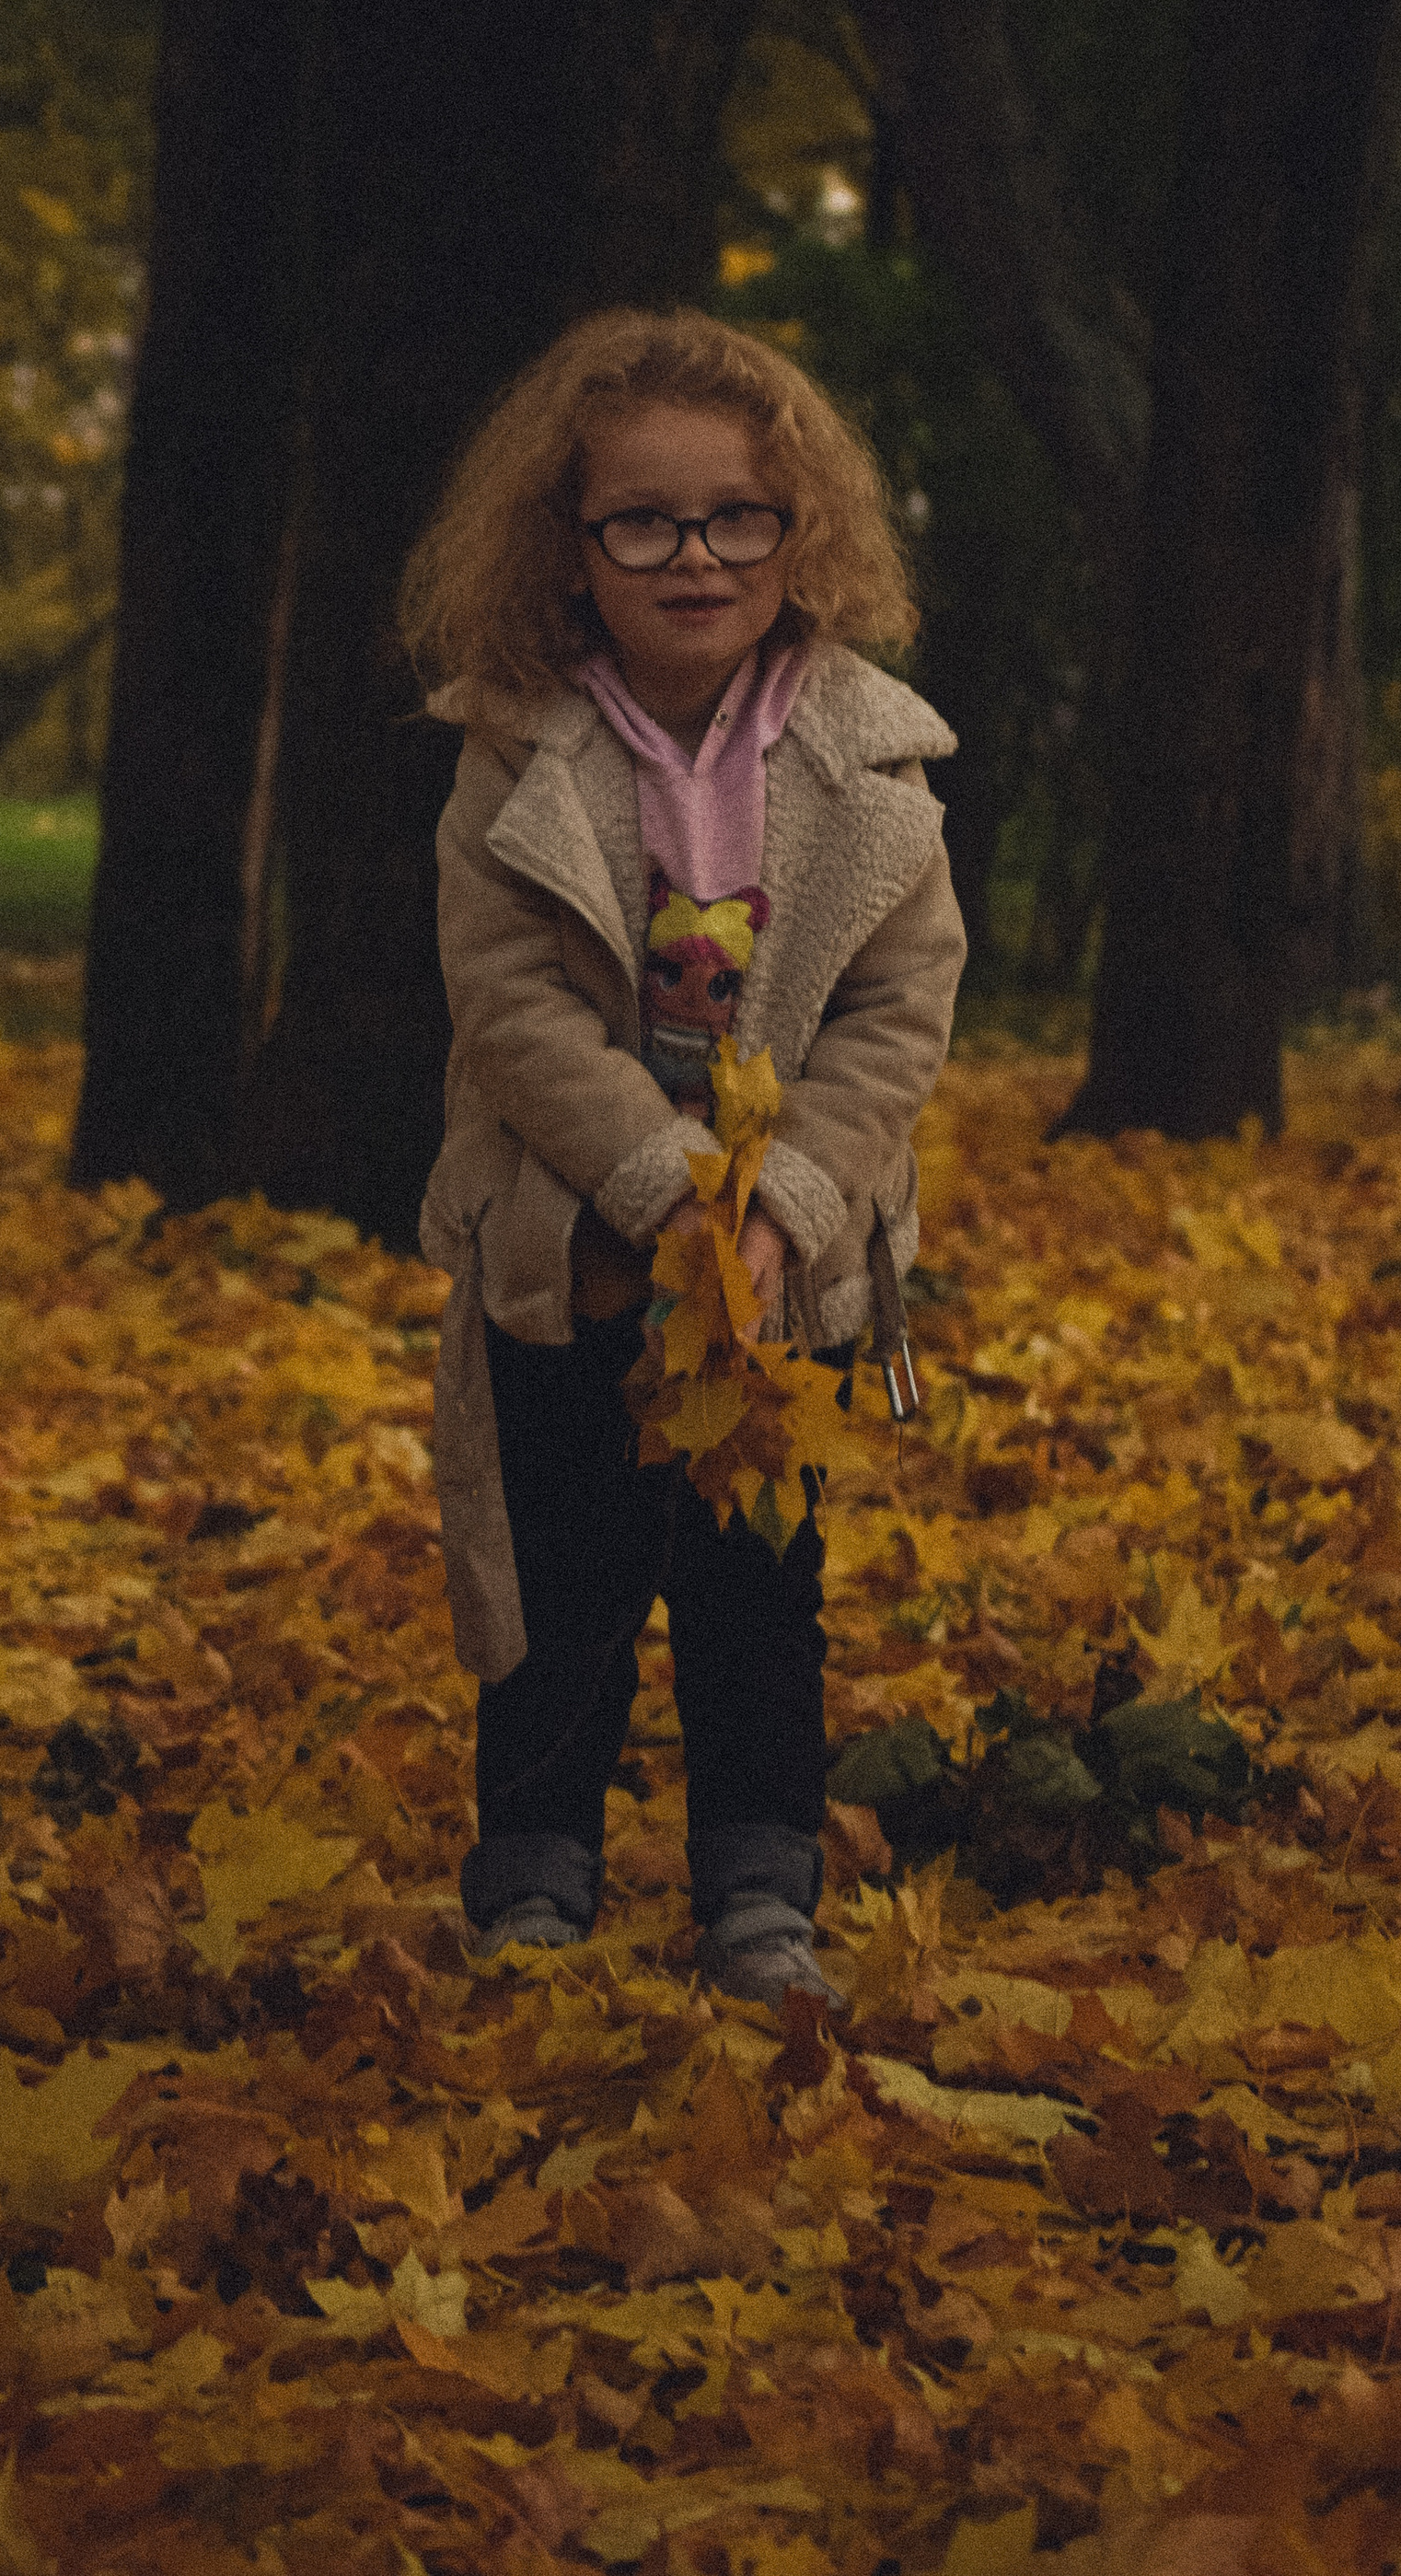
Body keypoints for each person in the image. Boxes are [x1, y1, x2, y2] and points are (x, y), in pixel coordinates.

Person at [399, 307, 967, 2012]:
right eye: (642, 521)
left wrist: (782, 1208)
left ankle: (758, 1890)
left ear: (802, 535)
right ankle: (537, 1872)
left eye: (738, 517)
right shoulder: (518, 749)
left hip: (785, 1273)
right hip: (572, 1245)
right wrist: (658, 1189)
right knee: (560, 1569)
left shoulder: (868, 755)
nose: (695, 556)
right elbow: (507, 1010)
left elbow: (897, 1012)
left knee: (756, 1581)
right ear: (571, 546)